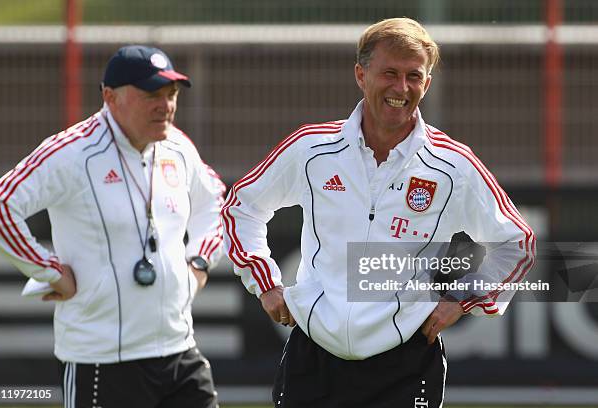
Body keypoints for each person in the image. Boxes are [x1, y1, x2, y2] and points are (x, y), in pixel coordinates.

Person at [222, 18, 535, 407]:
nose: (401, 88)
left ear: (427, 83)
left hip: (405, 364)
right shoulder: (312, 149)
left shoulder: (453, 166)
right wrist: (265, 282)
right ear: (360, 74)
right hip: (313, 358)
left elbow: (517, 243)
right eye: (389, 73)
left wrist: (464, 297)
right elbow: (241, 206)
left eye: (413, 76)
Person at [0, 45, 225, 408]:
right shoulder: (72, 152)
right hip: (103, 361)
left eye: (171, 94)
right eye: (152, 95)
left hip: (180, 352)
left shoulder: (178, 146)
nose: (166, 105)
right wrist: (49, 270)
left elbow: (215, 202)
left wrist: (200, 264)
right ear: (110, 97)